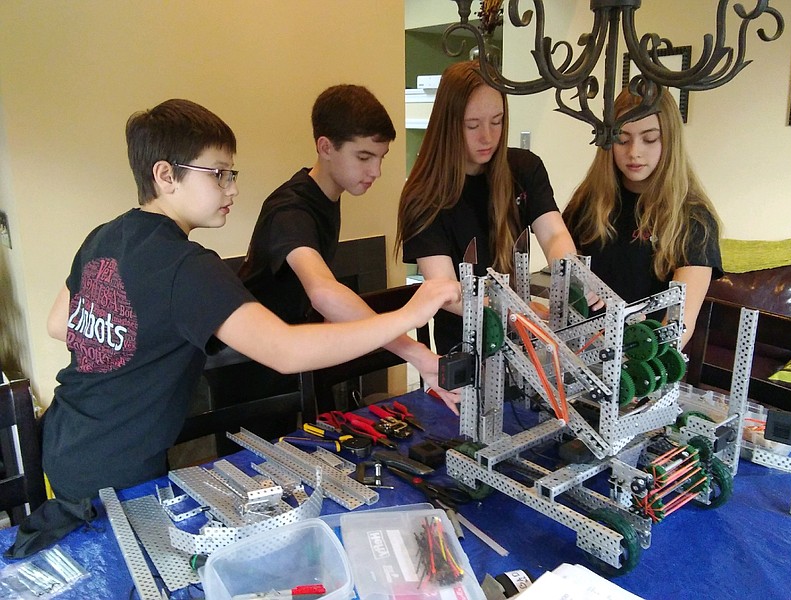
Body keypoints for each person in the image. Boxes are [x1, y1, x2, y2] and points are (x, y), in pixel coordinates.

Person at [41, 98, 460, 501]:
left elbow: (60, 325)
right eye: (219, 174)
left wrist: (127, 343)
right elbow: (285, 350)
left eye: (232, 174)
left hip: (64, 438)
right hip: (118, 467)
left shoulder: (104, 235)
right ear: (166, 176)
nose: (232, 189)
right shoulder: (188, 266)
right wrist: (410, 313)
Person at [238, 84, 460, 412]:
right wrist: (417, 353)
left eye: (380, 158)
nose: (376, 172)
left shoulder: (326, 196)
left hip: (291, 350)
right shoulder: (290, 209)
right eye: (364, 157)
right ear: (325, 146)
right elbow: (324, 293)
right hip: (249, 369)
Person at [396, 61, 585, 355]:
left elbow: (553, 235)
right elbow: (447, 292)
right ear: (449, 124)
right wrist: (513, 312)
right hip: (464, 350)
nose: (487, 136)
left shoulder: (525, 169)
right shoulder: (423, 197)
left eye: (496, 121)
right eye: (472, 125)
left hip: (522, 343)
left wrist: (572, 277)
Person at [563, 88, 722, 348]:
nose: (634, 152)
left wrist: (639, 371)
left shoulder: (694, 220)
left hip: (644, 362)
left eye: (649, 139)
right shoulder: (587, 203)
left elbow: (679, 323)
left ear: (670, 141)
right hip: (579, 351)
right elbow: (565, 277)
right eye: (623, 140)